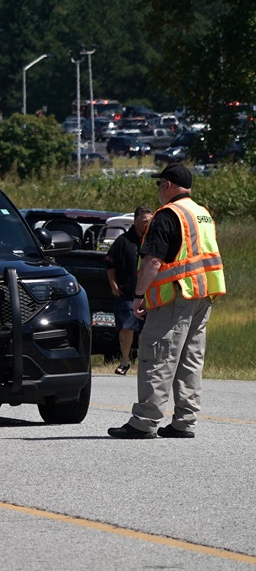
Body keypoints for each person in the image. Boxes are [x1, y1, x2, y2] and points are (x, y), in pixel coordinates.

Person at [109, 163, 225, 439]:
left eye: (160, 184)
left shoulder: (167, 215)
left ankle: (144, 422)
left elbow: (152, 261)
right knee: (190, 359)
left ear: (168, 186)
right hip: (201, 295)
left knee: (157, 355)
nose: (159, 190)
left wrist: (139, 296)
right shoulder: (202, 214)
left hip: (175, 296)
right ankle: (185, 421)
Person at [104, 206, 153, 375]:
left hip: (149, 294)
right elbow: (110, 264)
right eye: (145, 221)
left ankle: (144, 363)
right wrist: (113, 285)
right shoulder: (123, 241)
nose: (148, 225)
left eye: (150, 221)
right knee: (126, 327)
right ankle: (125, 361)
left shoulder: (153, 240)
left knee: (146, 330)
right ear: (136, 221)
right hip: (127, 293)